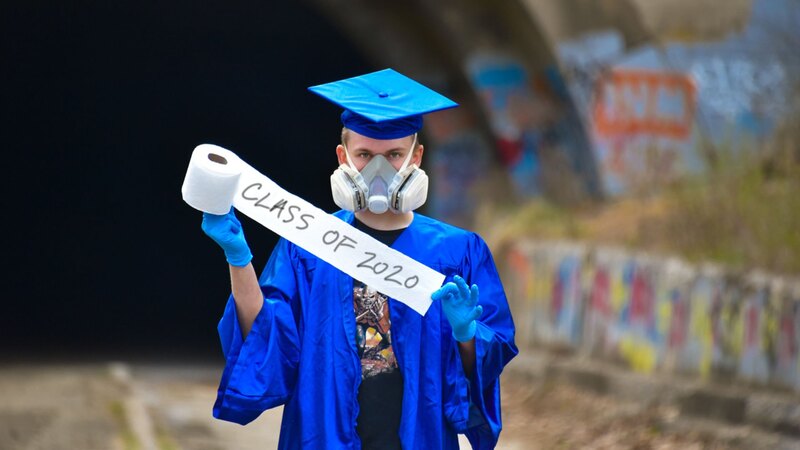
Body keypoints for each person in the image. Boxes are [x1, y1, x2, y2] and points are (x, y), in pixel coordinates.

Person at [200, 69, 517, 449]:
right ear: (343, 157)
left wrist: (466, 334)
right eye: (365, 154)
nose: (379, 170)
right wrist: (238, 257)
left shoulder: (457, 252)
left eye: (394, 155)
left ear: (416, 156)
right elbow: (267, 335)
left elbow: (489, 356)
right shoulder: (309, 244)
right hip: (324, 435)